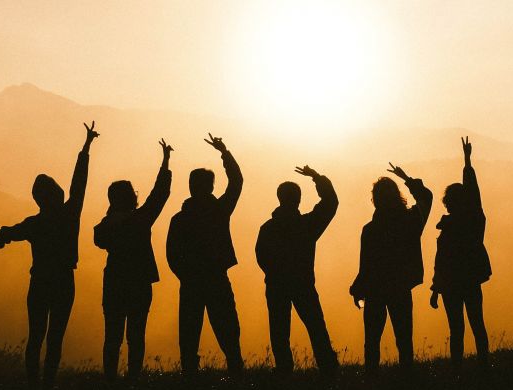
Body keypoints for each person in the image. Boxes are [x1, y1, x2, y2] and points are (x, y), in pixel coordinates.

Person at [0, 121, 98, 388]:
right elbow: (80, 182)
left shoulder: (34, 224)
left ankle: (34, 387)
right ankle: (47, 386)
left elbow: (1, 236)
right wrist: (86, 148)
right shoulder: (69, 214)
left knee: (36, 337)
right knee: (54, 338)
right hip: (64, 281)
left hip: (40, 281)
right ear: (56, 194)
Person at [93, 139, 173, 380]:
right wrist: (166, 162)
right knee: (135, 335)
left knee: (113, 336)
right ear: (132, 198)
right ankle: (133, 380)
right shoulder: (140, 219)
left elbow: (98, 239)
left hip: (115, 282)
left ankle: (110, 381)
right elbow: (160, 194)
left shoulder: (107, 225)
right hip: (139, 283)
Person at [166, 134, 244, 375]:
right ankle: (235, 369)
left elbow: (172, 254)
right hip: (215, 277)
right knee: (227, 327)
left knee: (189, 330)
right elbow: (237, 181)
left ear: (191, 186)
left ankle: (190, 372)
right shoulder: (219, 211)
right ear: (210, 187)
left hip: (191, 281)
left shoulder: (180, 218)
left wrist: (185, 274)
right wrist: (224, 151)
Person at [255, 165, 340, 376]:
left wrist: (275, 273)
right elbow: (331, 203)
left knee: (279, 330)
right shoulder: (307, 225)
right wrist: (316, 177)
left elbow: (261, 256)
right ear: (298, 199)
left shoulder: (268, 228)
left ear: (279, 198)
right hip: (303, 283)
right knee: (315, 326)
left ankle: (284, 370)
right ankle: (328, 367)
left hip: (276, 284)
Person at [350, 163, 432, 372]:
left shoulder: (370, 230)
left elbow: (366, 265)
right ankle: (407, 380)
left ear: (375, 200)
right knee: (404, 339)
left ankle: (371, 380)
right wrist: (406, 177)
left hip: (375, 290)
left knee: (372, 341)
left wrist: (358, 289)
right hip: (401, 287)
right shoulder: (411, 221)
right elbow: (426, 197)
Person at [430, 136, 492, 369]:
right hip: (469, 281)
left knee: (457, 328)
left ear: (448, 203)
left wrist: (436, 288)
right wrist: (466, 162)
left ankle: (458, 369)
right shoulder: (474, 221)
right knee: (476, 323)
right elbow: (474, 194)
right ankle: (483, 365)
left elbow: (441, 262)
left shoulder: (454, 226)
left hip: (451, 285)